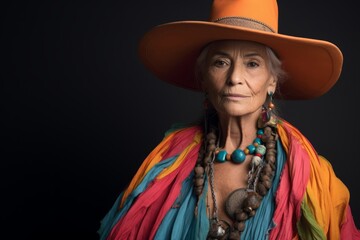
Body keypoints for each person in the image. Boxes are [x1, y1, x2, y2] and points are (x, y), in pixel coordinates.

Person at [98, 0, 360, 239]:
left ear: (272, 81)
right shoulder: (167, 163)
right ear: (204, 78)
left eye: (253, 64)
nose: (235, 77)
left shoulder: (307, 173)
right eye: (221, 62)